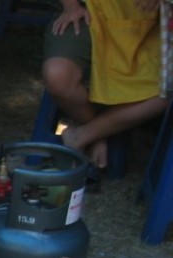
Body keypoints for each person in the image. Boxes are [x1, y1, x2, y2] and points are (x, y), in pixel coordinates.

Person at [41, 0, 170, 175]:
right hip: (87, 12)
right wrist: (71, 6)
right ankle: (98, 135)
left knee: (165, 91)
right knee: (58, 76)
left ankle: (82, 135)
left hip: (150, 26)